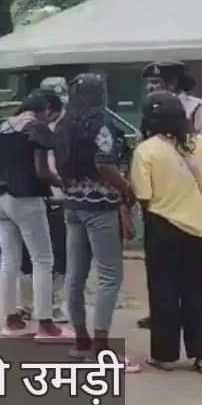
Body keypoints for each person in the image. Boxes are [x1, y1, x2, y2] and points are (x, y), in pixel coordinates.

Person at [132, 92, 202, 374]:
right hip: (197, 229)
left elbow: (143, 196)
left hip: (161, 227)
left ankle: (165, 355)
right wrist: (200, 208)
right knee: (198, 291)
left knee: (163, 290)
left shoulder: (146, 150)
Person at [54, 74, 139, 368]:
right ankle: (101, 347)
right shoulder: (102, 123)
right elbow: (104, 163)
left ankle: (81, 342)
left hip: (73, 205)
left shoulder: (64, 124)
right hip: (101, 206)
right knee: (109, 276)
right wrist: (126, 189)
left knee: (75, 275)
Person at [0, 90, 69, 341]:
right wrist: (64, 184)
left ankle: (12, 321)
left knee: (10, 260)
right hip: (26, 197)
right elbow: (42, 171)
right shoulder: (38, 129)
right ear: (45, 110)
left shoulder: (1, 128)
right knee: (43, 260)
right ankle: (46, 325)